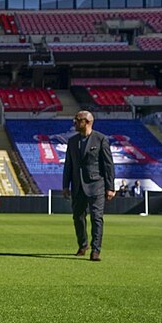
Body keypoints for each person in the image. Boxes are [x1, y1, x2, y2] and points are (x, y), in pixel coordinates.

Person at [62, 111, 115, 262]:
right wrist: (65, 185)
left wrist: (110, 187)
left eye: (77, 120)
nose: (74, 123)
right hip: (78, 186)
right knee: (77, 217)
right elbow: (68, 165)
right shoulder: (72, 141)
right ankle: (83, 244)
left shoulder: (101, 139)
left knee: (97, 218)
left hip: (96, 185)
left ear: (87, 122)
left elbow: (108, 165)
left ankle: (96, 250)